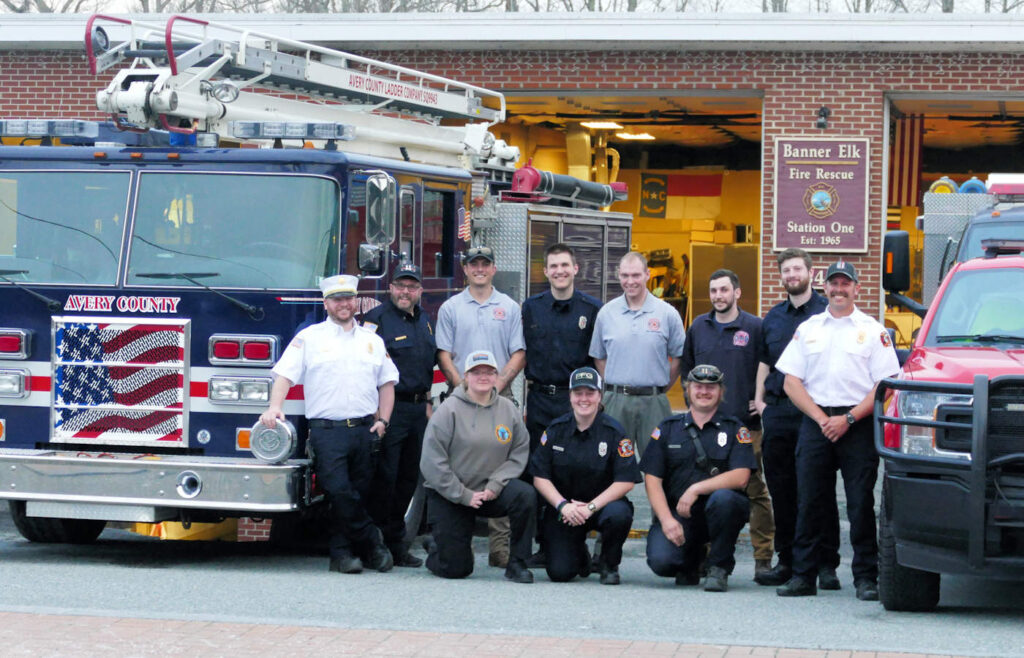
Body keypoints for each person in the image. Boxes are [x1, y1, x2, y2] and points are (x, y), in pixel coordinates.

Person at [774, 260, 900, 601]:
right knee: (810, 501)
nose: (839, 289)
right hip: (817, 423)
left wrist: (848, 419)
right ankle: (804, 575)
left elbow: (884, 385)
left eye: (846, 284)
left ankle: (865, 578)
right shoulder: (810, 328)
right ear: (824, 287)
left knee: (859, 504)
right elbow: (790, 381)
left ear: (857, 288)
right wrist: (820, 418)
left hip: (856, 426)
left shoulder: (874, 331)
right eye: (833, 283)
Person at [260, 274, 398, 574]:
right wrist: (274, 407)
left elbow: (387, 384)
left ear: (355, 301)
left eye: (348, 298)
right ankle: (373, 539)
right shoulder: (309, 338)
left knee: (357, 493)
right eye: (337, 299)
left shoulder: (372, 341)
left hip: (364, 430)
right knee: (338, 491)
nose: (344, 304)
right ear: (326, 304)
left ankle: (342, 554)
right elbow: (284, 375)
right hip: (326, 431)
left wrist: (383, 420)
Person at [753, 248, 842, 588]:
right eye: (786, 270)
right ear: (781, 276)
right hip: (777, 412)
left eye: (796, 269)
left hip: (813, 414)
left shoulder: (826, 313)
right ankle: (787, 559)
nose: (791, 275)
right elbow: (765, 362)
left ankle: (825, 564)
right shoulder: (772, 318)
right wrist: (760, 403)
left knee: (818, 488)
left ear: (810, 272)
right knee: (782, 490)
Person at [680, 268, 774, 582]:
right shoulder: (698, 327)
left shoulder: (755, 327)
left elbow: (769, 367)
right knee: (710, 491)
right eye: (714, 290)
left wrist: (760, 398)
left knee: (756, 490)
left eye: (724, 290)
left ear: (737, 292)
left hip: (746, 426)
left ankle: (763, 558)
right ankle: (707, 555)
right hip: (706, 428)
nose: (719, 296)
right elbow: (687, 371)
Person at [435, 244, 526, 568]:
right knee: (460, 462)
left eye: (485, 264)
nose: (480, 269)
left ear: (493, 268)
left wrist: (498, 384)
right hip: (461, 398)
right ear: (465, 268)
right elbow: (444, 353)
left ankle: (500, 547)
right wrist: (462, 385)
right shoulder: (451, 308)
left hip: (501, 397)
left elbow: (519, 351)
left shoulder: (510, 307)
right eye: (474, 264)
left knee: (500, 464)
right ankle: (458, 539)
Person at [419, 350, 536, 583]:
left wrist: (496, 483)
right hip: (451, 494)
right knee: (456, 569)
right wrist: (463, 495)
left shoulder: (507, 409)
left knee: (526, 495)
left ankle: (518, 563)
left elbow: (519, 451)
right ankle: (437, 548)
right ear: (466, 376)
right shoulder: (448, 410)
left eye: (488, 372)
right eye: (476, 372)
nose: (483, 377)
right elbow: (432, 461)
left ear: (496, 376)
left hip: (490, 491)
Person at [521, 243, 602, 566]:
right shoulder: (531, 308)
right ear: (546, 272)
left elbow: (598, 359)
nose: (559, 271)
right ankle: (544, 543)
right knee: (540, 471)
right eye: (553, 266)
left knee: (577, 473)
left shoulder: (592, 309)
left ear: (575, 269)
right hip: (541, 399)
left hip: (577, 404)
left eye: (564, 265)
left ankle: (579, 541)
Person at [642, 364, 755, 593]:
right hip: (681, 515)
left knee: (725, 500)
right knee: (662, 562)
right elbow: (652, 479)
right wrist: (666, 520)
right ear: (688, 390)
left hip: (719, 512)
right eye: (698, 386)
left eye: (711, 387)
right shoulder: (668, 428)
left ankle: (718, 567)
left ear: (721, 392)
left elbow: (741, 476)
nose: (704, 392)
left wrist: (696, 488)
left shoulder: (734, 428)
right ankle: (692, 559)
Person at [530, 367, 640, 585]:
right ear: (570, 396)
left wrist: (591, 507)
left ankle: (609, 564)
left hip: (601, 508)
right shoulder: (555, 430)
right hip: (565, 510)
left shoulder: (614, 432)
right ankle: (579, 553)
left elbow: (626, 481)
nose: (584, 399)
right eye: (578, 393)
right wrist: (563, 506)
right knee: (560, 573)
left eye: (590, 393)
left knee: (619, 514)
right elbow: (539, 476)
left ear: (599, 396)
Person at [362, 262, 436, 568]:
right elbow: (365, 368)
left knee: (408, 480)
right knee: (385, 480)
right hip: (391, 410)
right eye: (400, 286)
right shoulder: (375, 320)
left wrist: (429, 401)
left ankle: (397, 544)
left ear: (419, 291)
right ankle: (374, 545)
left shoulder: (425, 321)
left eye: (411, 287)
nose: (405, 292)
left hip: (418, 410)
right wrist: (378, 413)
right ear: (390, 288)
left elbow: (425, 365)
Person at [589, 251, 685, 457]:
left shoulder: (667, 314)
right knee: (610, 462)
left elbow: (679, 357)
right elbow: (598, 355)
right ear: (618, 275)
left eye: (635, 275)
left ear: (647, 274)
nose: (630, 281)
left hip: (654, 403)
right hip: (615, 401)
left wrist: (661, 387)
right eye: (625, 275)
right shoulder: (607, 313)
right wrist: (616, 382)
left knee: (658, 464)